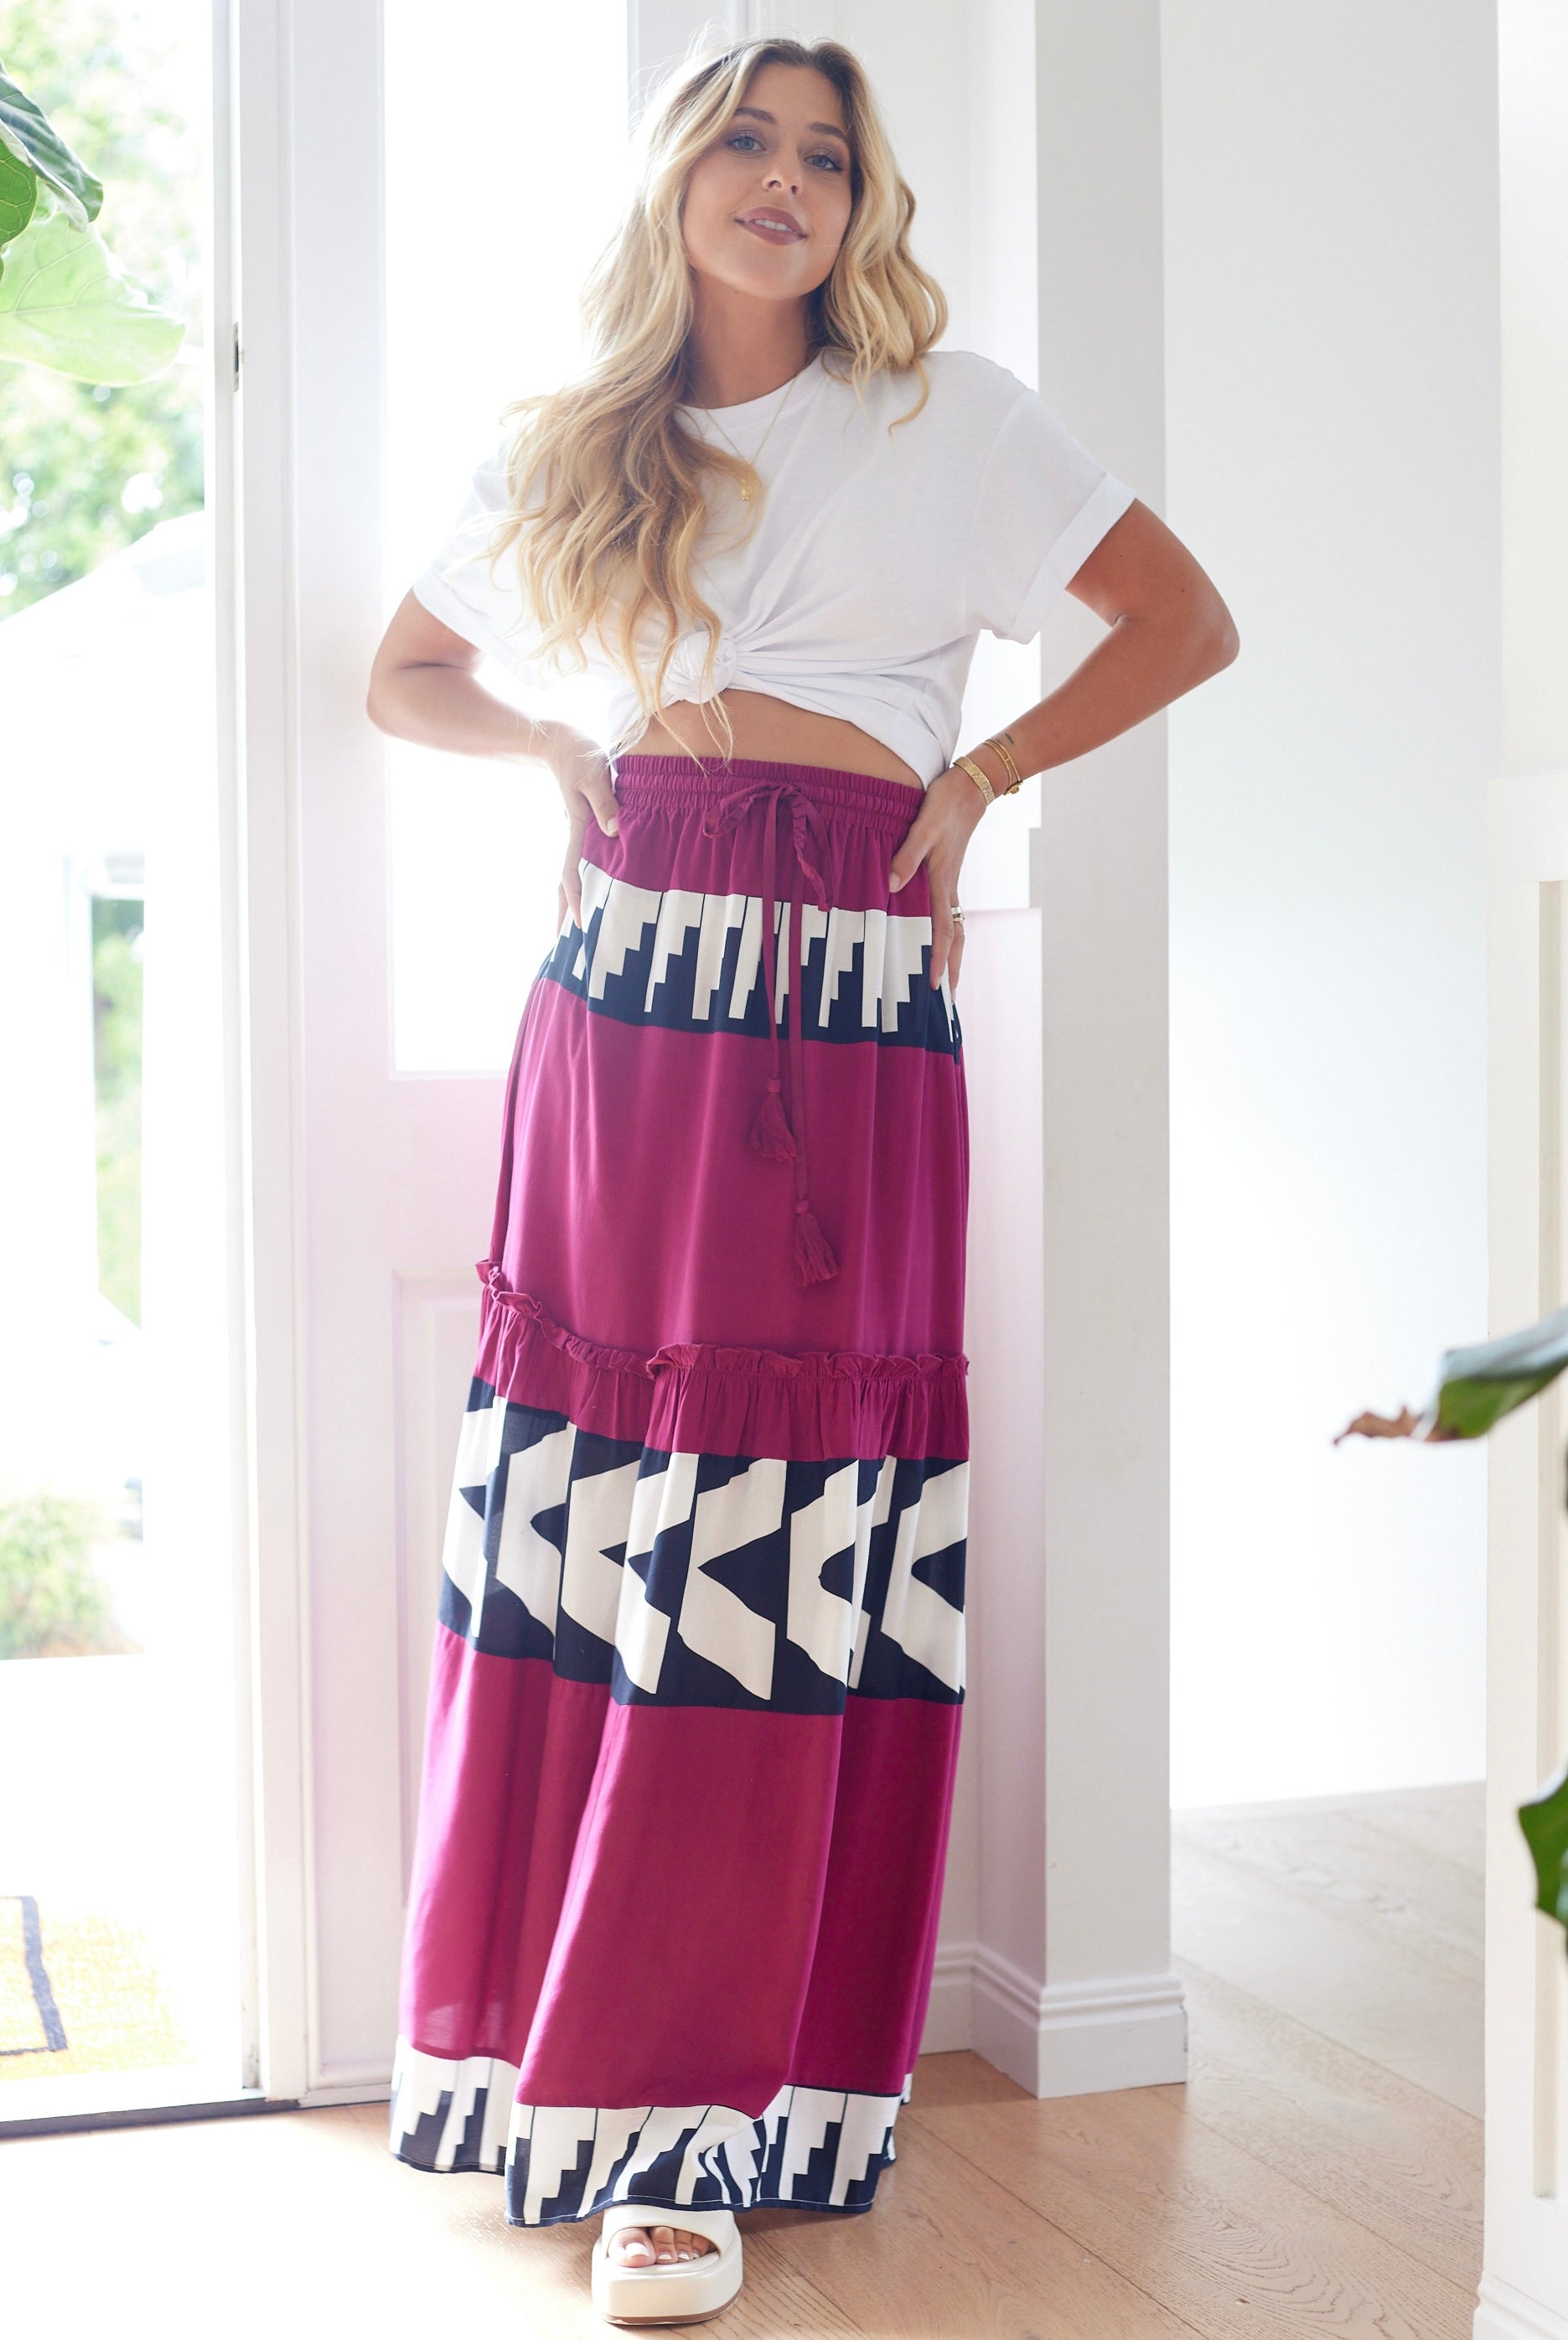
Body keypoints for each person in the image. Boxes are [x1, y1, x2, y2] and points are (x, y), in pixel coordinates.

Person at [365, 31, 1237, 2328]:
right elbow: (406, 674)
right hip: (626, 979)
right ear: (675, 174)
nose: (783, 181)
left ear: (869, 203)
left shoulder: (958, 418)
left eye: (826, 155)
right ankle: (545, 2055)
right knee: (603, 1512)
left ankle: (697, 2127)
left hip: (841, 995)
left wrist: (984, 789)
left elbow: (1183, 617)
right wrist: (552, 736)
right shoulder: (576, 446)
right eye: (745, 139)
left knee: (757, 1542)